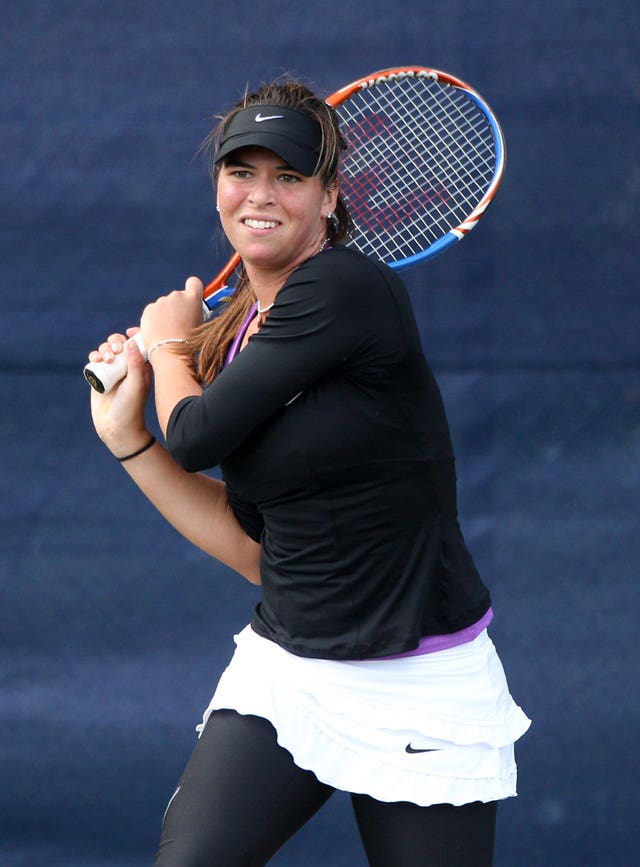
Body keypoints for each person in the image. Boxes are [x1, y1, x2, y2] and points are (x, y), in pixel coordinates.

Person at [88, 78, 530, 867]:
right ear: (218, 185)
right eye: (241, 172)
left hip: (421, 686)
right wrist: (129, 438)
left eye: (289, 177)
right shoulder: (237, 337)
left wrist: (164, 343)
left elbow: (193, 432)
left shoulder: (345, 287)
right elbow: (257, 545)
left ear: (330, 197)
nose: (259, 195)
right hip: (290, 671)